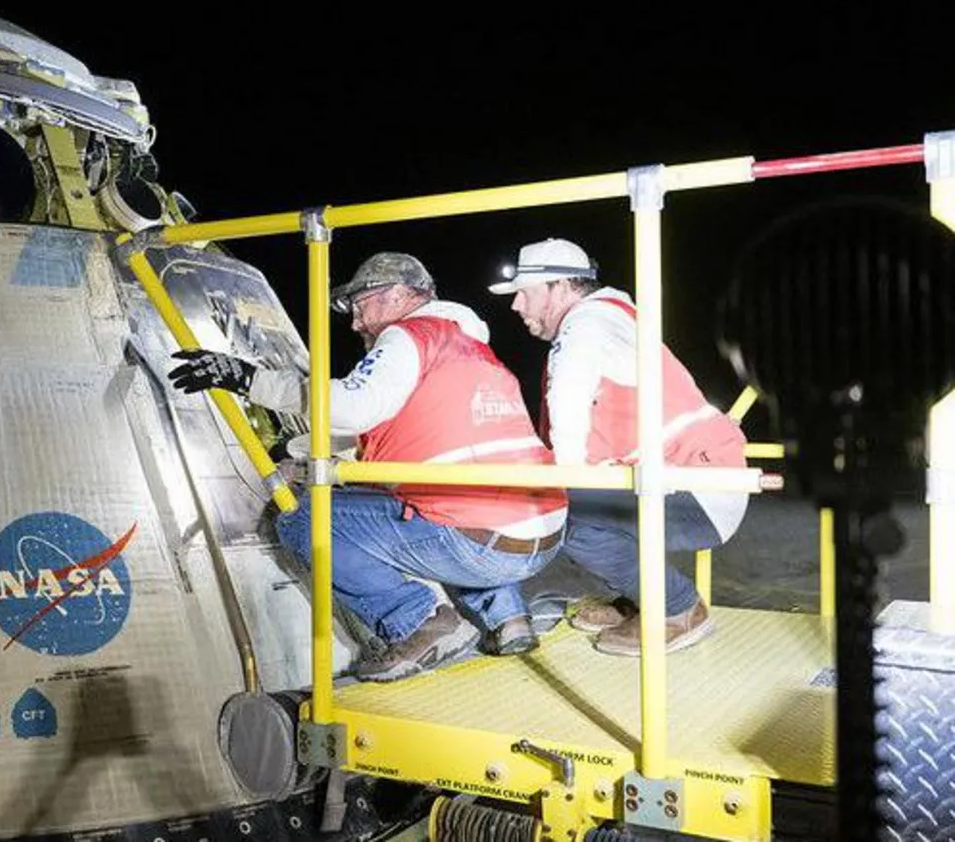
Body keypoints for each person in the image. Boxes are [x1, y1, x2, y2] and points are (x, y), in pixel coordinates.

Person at [168, 252, 567, 682]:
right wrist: (300, 450)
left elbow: (355, 407)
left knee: (303, 517)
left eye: (361, 306)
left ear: (397, 295)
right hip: (541, 533)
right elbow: (385, 432)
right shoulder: (467, 347)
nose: (356, 323)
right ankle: (509, 620)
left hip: (478, 542)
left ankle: (416, 622)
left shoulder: (409, 336)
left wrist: (248, 379)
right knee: (457, 504)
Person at [489, 238, 748, 655]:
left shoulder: (586, 326)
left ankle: (678, 609)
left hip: (698, 486)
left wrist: (560, 484)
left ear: (560, 287)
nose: (516, 305)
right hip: (698, 475)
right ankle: (641, 599)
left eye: (525, 292)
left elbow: (568, 403)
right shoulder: (611, 318)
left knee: (567, 520)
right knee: (583, 508)